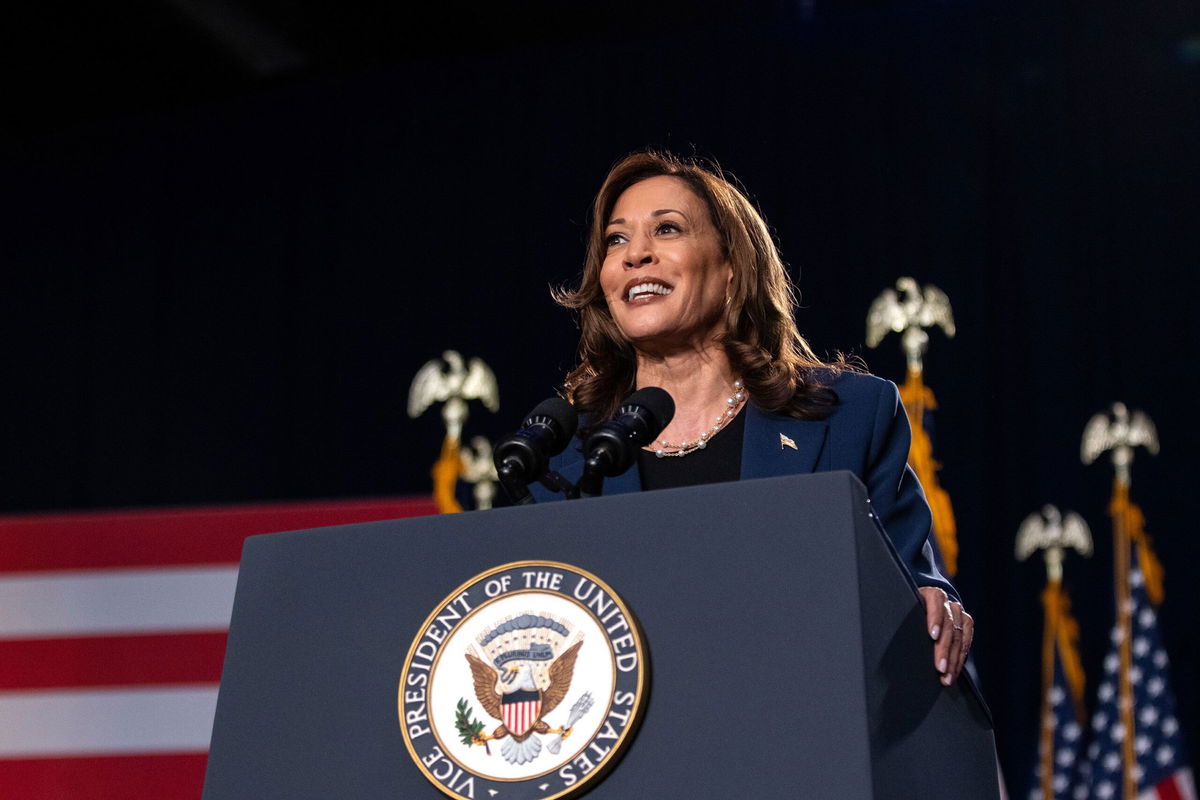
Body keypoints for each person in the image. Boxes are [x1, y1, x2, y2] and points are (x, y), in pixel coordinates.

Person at [537, 150, 973, 686]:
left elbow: (907, 581)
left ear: (731, 268)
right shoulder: (564, 454)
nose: (635, 256)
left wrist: (935, 602)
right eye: (616, 240)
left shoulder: (849, 418)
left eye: (666, 230)